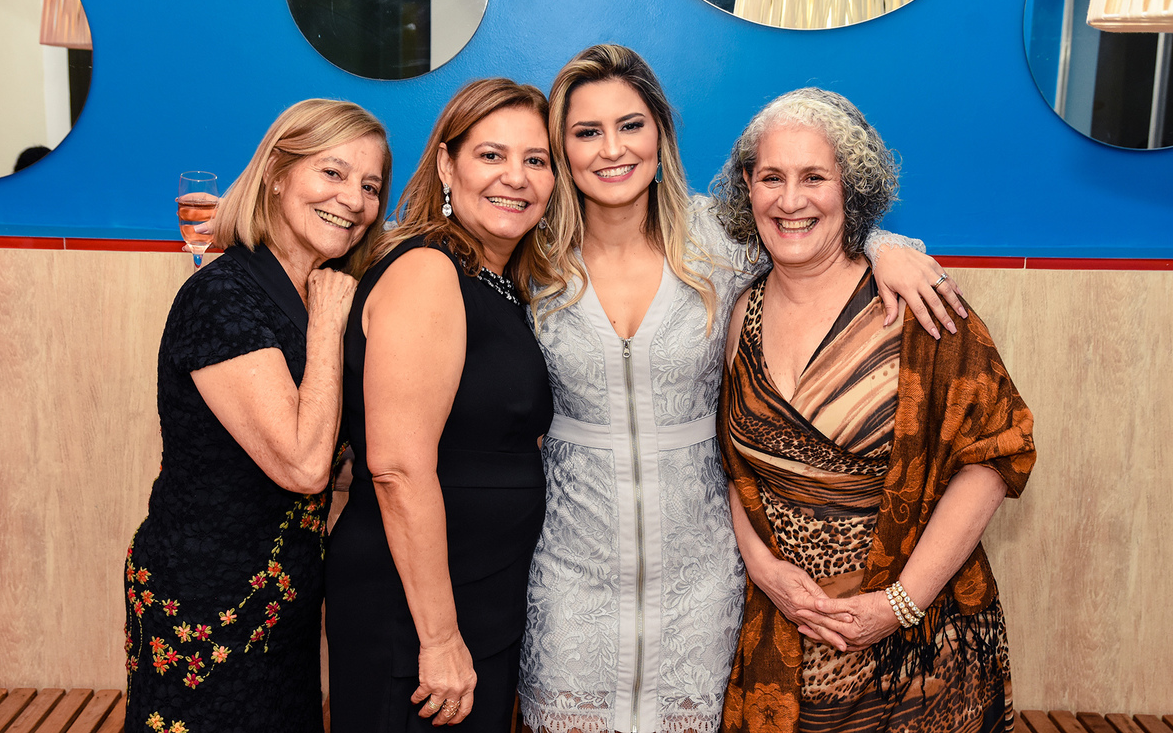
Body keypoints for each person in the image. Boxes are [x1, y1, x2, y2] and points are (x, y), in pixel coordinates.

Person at [518, 45, 967, 733]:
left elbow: (810, 226)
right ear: (561, 147)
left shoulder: (717, 238)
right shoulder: (532, 253)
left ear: (661, 134)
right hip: (572, 573)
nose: (612, 149)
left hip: (701, 579)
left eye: (631, 125)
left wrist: (887, 248)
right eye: (587, 131)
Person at [712, 88, 1036, 733]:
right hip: (785, 638)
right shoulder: (739, 311)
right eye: (771, 177)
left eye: (814, 177)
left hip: (916, 649)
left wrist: (899, 604)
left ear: (851, 187)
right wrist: (765, 571)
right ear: (747, 187)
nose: (790, 200)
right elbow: (734, 472)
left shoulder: (918, 304)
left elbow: (995, 456)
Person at [124, 98, 391, 733]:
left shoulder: (309, 288)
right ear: (275, 173)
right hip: (204, 601)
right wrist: (329, 328)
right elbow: (303, 465)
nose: (353, 200)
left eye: (370, 185)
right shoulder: (222, 295)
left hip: (283, 601)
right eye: (332, 172)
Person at [325, 78, 571, 732]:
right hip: (416, 617)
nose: (515, 177)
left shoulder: (498, 281)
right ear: (445, 165)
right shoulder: (429, 271)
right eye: (491, 155)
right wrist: (438, 638)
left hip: (480, 598)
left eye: (536, 159)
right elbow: (398, 469)